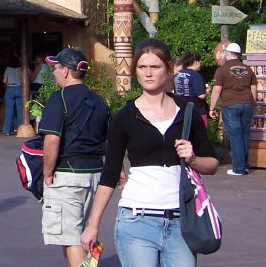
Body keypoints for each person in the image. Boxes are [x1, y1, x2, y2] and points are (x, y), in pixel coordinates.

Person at [80, 39, 219, 267]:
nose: (148, 73)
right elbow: (110, 174)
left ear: (169, 69)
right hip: (136, 220)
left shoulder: (187, 112)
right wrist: (93, 224)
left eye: (155, 67)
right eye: (142, 67)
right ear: (135, 70)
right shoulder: (125, 116)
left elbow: (212, 164)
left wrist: (193, 159)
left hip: (180, 221)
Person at [39, 48, 109, 267]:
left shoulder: (58, 98)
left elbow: (52, 140)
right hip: (95, 174)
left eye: (56, 68)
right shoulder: (99, 101)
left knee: (70, 238)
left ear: (66, 72)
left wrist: (47, 174)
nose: (54, 73)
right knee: (77, 233)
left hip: (67, 174)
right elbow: (107, 140)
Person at [208, 41, 257, 176]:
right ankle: (245, 166)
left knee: (235, 136)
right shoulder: (248, 69)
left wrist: (212, 108)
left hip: (231, 105)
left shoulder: (222, 69)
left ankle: (238, 169)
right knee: (245, 134)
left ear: (228, 53)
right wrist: (252, 104)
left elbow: (217, 90)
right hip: (247, 104)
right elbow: (253, 89)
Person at [173, 52, 208, 126]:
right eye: (199, 62)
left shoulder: (177, 75)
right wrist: (207, 91)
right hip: (197, 111)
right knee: (200, 136)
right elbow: (201, 95)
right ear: (195, 62)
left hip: (181, 110)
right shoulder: (195, 75)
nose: (200, 65)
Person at [2, 56, 23, 136]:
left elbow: (5, 81)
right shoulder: (20, 69)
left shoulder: (7, 69)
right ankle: (20, 130)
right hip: (19, 88)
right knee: (20, 111)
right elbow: (22, 79)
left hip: (10, 88)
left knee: (9, 110)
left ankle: (8, 130)